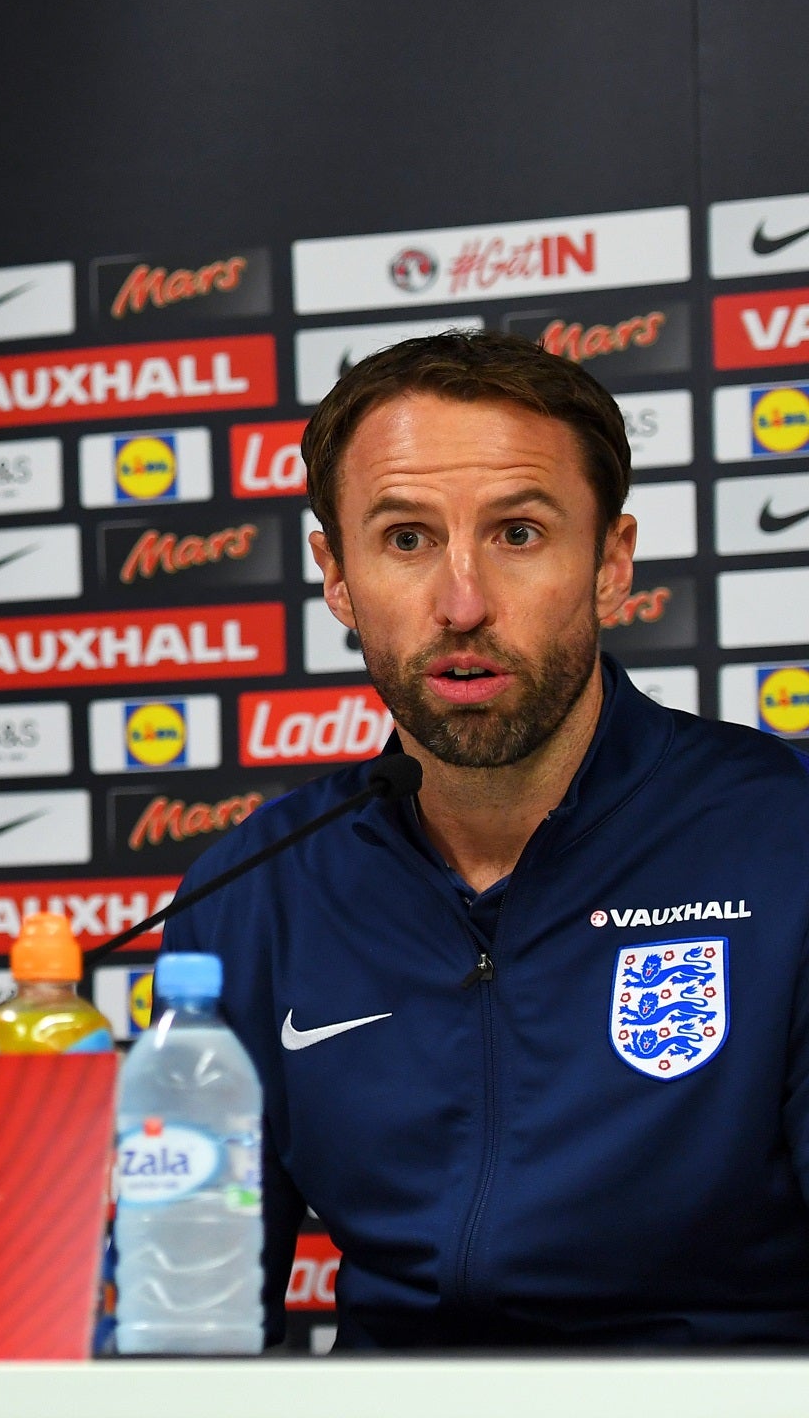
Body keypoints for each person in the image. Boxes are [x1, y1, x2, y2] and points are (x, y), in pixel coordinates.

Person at [164, 331, 809, 1347]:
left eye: (516, 534)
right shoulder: (251, 894)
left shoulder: (785, 839)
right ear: (335, 574)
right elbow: (180, 1321)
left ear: (608, 564)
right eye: (406, 539)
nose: (461, 604)